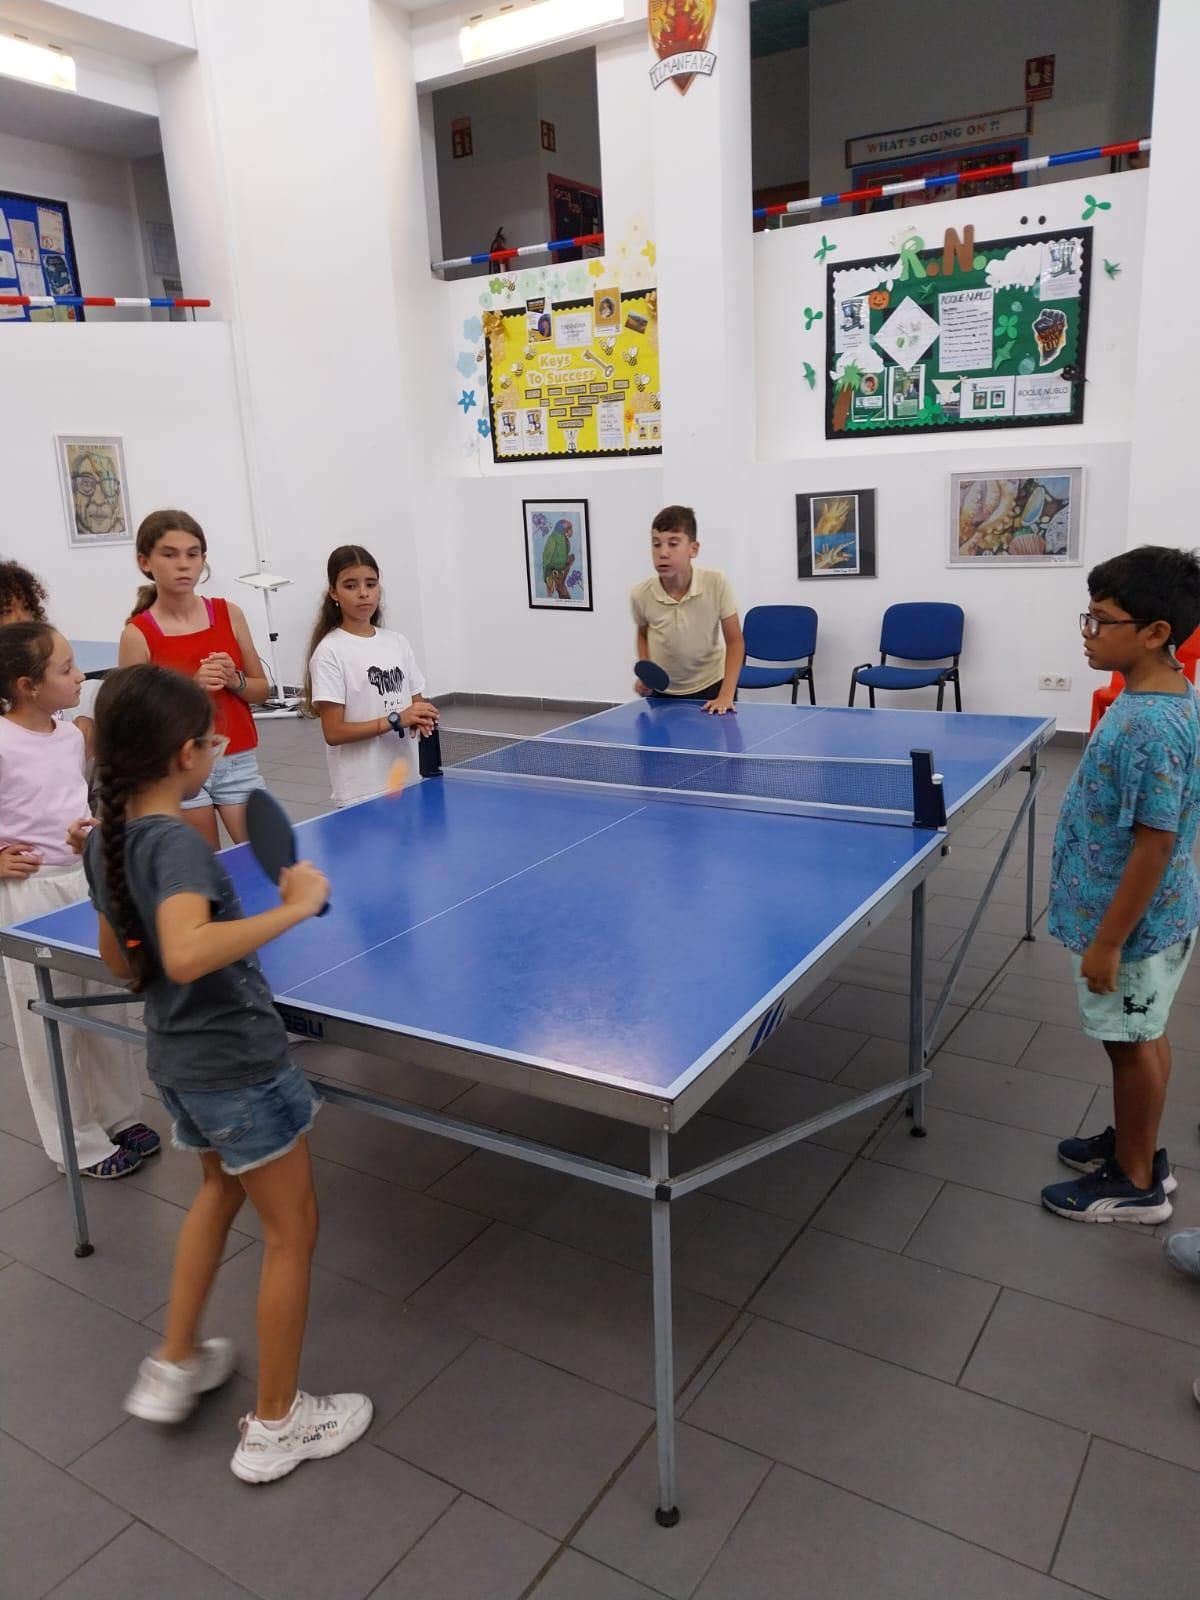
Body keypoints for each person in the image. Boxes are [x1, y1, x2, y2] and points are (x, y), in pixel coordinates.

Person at [84, 663, 372, 1480]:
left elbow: (123, 962)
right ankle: (278, 1423)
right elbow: (183, 952)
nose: (216, 752)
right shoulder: (178, 842)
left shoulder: (110, 840)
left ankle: (175, 1360)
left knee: (218, 1191)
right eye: (211, 743)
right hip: (237, 1064)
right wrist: (294, 906)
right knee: (292, 1231)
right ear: (186, 754)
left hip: (178, 1060)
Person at [1041, 547, 1200, 1224]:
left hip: (1133, 930)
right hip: (1155, 919)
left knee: (1131, 1044)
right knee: (1143, 1034)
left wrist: (1108, 942)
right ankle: (1138, 1144)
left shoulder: (1149, 726)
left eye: (1101, 620)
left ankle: (1134, 1183)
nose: (1087, 631)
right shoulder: (1162, 693)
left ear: (1156, 632)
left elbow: (1154, 844)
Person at [0, 624, 151, 1178]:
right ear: (27, 686)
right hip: (29, 892)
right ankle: (76, 1143)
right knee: (50, 1019)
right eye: (66, 669)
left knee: (102, 998)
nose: (80, 675)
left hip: (82, 882)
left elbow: (72, 803)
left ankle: (118, 1115)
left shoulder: (68, 737)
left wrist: (92, 838)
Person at [118, 509, 269, 849]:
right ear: (145, 562)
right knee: (204, 868)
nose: (183, 565)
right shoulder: (137, 634)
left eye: (192, 554)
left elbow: (261, 691)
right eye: (170, 555)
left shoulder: (229, 613)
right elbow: (132, 724)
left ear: (203, 559)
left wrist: (235, 680)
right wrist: (190, 689)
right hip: (176, 766)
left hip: (237, 759)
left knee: (266, 860)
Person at [305, 545, 438, 808]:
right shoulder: (329, 652)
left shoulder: (397, 643)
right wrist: (395, 719)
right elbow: (333, 731)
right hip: (361, 791)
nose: (363, 593)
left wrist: (422, 718)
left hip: (405, 780)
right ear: (334, 592)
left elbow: (416, 704)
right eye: (351, 585)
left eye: (371, 584)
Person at [630, 505, 744, 714]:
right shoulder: (640, 594)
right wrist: (647, 672)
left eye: (673, 544)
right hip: (663, 692)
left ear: (694, 549)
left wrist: (726, 694)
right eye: (656, 544)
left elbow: (735, 642)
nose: (663, 553)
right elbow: (643, 635)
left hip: (712, 687)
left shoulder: (716, 583)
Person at [0, 559, 100, 751]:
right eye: (6, 611)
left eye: (27, 608)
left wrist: (83, 721)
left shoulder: (38, 662)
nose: (23, 618)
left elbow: (54, 715)